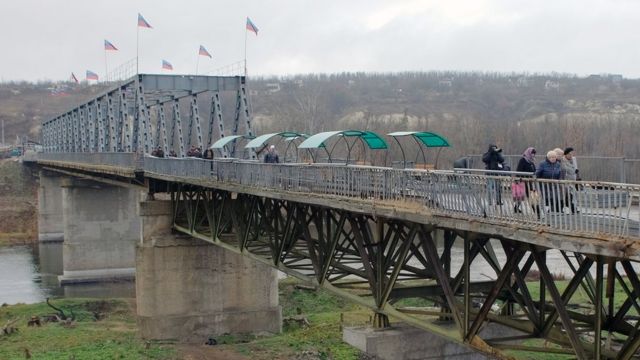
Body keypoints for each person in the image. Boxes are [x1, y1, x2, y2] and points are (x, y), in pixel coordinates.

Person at [516, 147, 539, 217]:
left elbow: (534, 170)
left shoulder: (531, 161)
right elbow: (518, 171)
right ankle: (516, 207)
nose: (533, 155)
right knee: (521, 196)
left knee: (531, 196)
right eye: (532, 154)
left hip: (529, 181)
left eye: (534, 154)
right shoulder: (523, 160)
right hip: (523, 181)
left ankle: (537, 212)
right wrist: (519, 180)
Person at [561, 147, 579, 213]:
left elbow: (576, 169)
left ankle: (574, 208)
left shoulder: (574, 160)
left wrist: (577, 176)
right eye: (569, 154)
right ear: (566, 154)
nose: (571, 155)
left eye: (572, 154)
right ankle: (573, 208)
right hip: (566, 182)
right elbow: (563, 170)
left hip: (573, 181)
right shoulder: (562, 161)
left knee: (573, 195)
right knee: (568, 196)